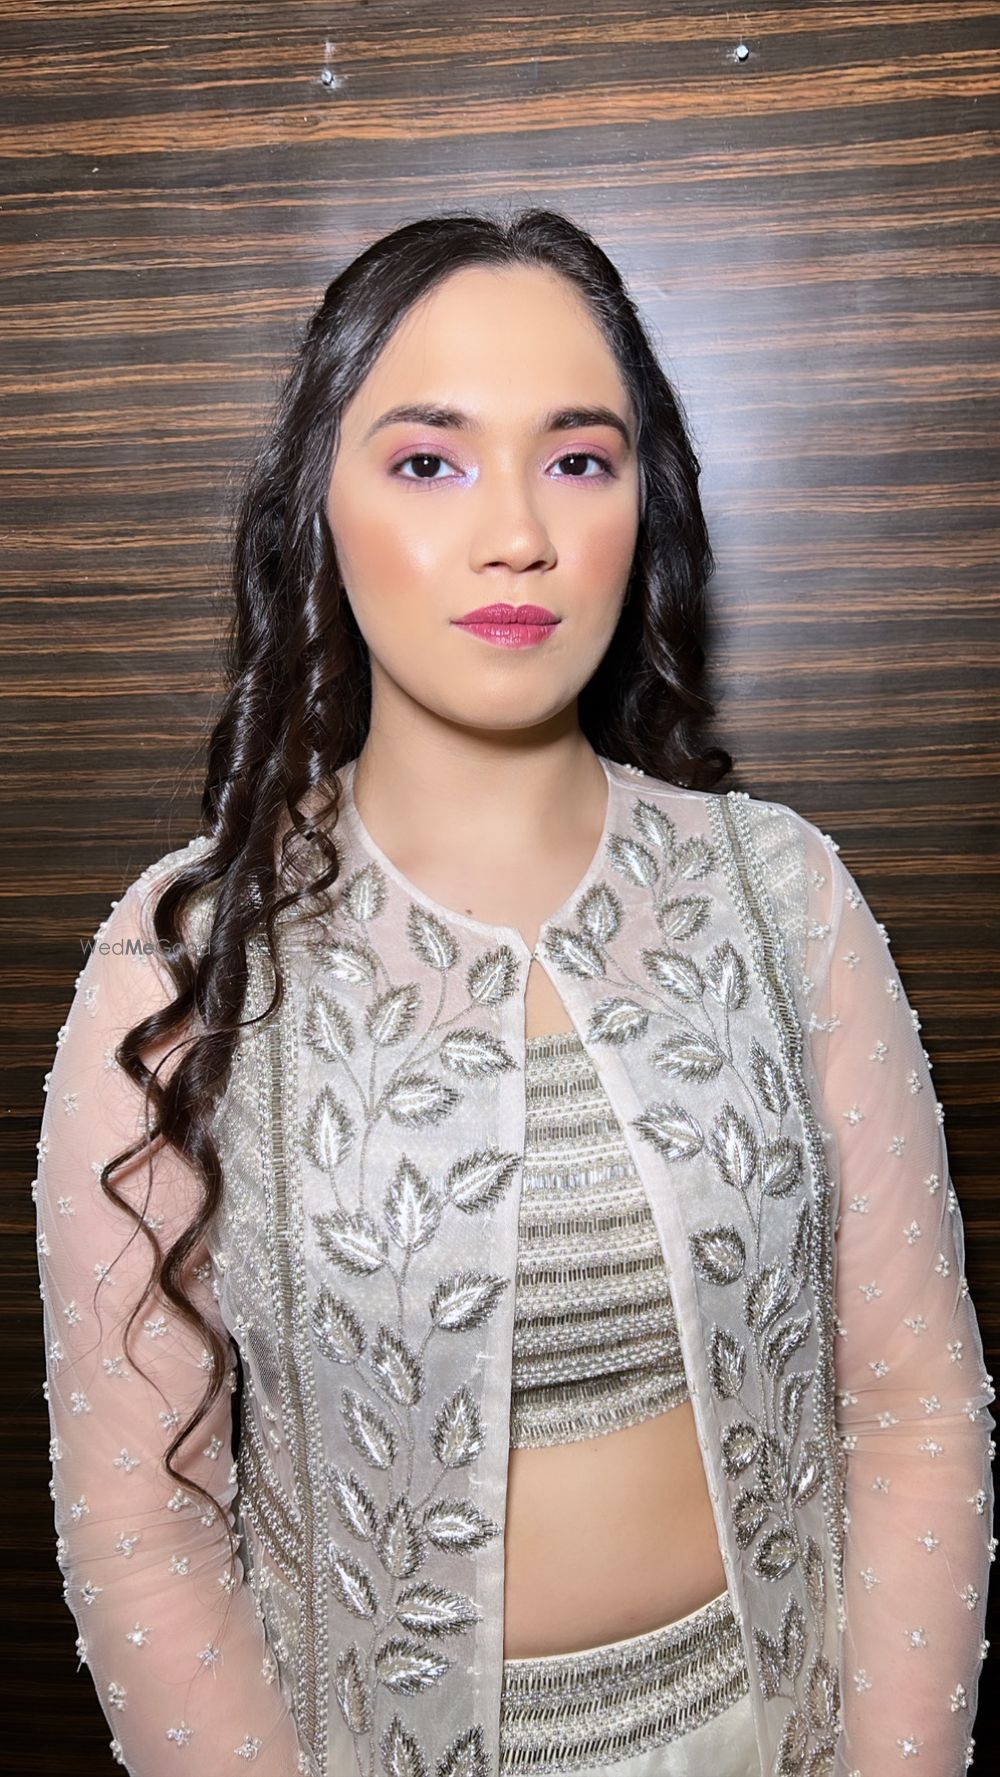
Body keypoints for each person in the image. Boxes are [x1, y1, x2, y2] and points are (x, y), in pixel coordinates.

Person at [34, 208, 994, 1777]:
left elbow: (912, 1407)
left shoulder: (786, 897)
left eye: (579, 459)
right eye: (428, 460)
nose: (516, 535)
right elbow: (142, 1518)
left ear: (642, 502)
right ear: (318, 505)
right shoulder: (183, 964)